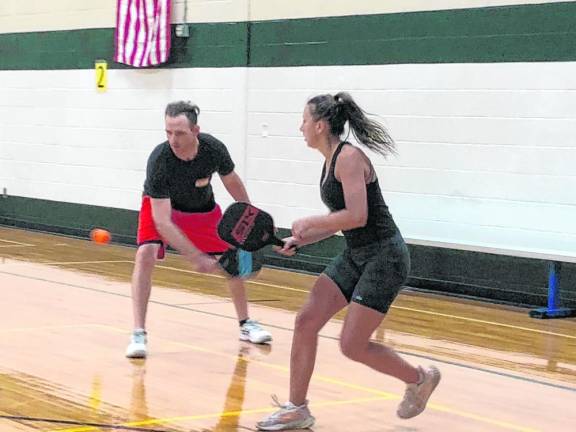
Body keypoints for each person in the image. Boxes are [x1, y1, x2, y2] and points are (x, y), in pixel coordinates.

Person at [256, 93, 440, 430]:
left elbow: (357, 215)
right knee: (306, 319)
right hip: (357, 254)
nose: (301, 127)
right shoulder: (329, 161)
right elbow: (341, 220)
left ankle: (419, 378)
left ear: (321, 125)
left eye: (305, 120)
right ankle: (297, 408)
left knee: (351, 345)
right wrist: (302, 238)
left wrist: (312, 221)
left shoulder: (350, 158)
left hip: (385, 257)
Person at [126, 101, 272, 358]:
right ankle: (138, 333)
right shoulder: (160, 160)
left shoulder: (213, 149)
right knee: (145, 254)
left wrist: (249, 217)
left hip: (202, 210)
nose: (173, 139)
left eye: (179, 133)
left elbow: (232, 181)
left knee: (232, 259)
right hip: (162, 209)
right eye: (168, 132)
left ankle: (246, 324)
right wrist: (195, 257)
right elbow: (162, 222)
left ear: (196, 130)